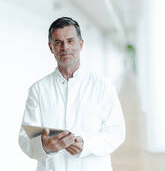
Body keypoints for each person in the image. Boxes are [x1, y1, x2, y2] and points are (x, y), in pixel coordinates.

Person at [19, 17, 125, 171]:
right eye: (58, 42)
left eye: (70, 41)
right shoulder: (38, 89)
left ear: (81, 44)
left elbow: (116, 133)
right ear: (51, 48)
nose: (65, 47)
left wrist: (86, 144)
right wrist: (43, 146)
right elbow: (25, 136)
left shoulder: (103, 86)